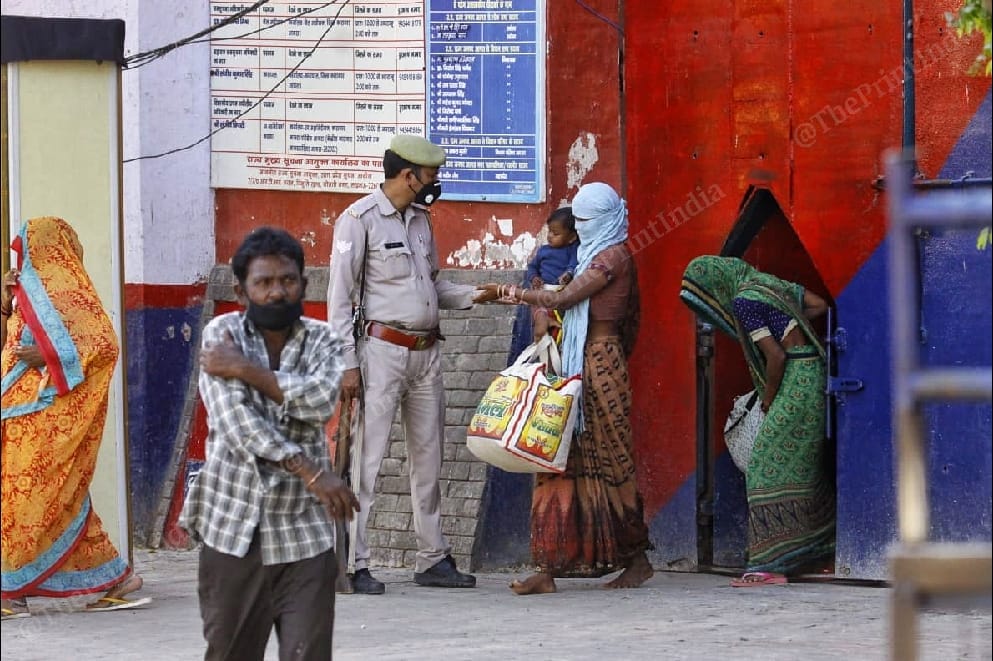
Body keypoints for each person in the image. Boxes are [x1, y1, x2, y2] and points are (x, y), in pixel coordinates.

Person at [179, 227, 358, 659]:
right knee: (231, 652)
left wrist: (247, 371)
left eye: (288, 280)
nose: (278, 292)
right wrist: (310, 470)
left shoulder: (324, 339)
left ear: (303, 283)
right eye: (264, 283)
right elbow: (236, 422)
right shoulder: (223, 334)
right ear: (241, 292)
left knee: (308, 653)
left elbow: (318, 403)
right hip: (234, 528)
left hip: (305, 533)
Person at [475, 182, 654, 595]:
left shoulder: (612, 258)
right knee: (555, 455)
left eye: (587, 222)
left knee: (611, 461)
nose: (582, 228)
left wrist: (506, 292)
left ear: (604, 222)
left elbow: (565, 299)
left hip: (599, 362)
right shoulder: (593, 254)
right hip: (576, 359)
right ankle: (549, 566)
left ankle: (635, 559)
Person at [327, 135, 482, 594]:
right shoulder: (358, 220)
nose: (435, 182)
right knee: (366, 462)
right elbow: (339, 300)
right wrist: (347, 365)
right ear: (408, 175)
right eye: (429, 174)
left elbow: (433, 285)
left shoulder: (420, 221)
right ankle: (354, 563)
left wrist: (477, 295)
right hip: (380, 353)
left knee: (429, 459)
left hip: (426, 352)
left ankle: (433, 557)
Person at [1, 217, 148, 619]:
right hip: (17, 412)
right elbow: (14, 343)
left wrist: (50, 356)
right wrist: (6, 301)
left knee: (32, 503)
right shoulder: (23, 291)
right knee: (56, 500)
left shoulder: (69, 293)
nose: (23, 255)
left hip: (47, 416)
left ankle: (9, 592)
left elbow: (104, 345)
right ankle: (114, 578)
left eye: (28, 245)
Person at [679, 255, 835, 587]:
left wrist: (767, 400)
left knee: (764, 466)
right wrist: (791, 323)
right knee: (797, 465)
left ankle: (768, 565)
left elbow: (775, 355)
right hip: (812, 369)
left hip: (795, 378)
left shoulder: (744, 300)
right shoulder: (770, 285)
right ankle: (814, 547)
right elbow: (820, 305)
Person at [524, 207, 579, 343]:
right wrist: (534, 277)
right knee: (539, 327)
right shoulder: (543, 250)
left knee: (558, 332)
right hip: (542, 292)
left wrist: (568, 274)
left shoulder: (573, 249)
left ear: (571, 237)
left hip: (560, 295)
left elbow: (573, 264)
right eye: (549, 231)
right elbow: (532, 266)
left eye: (555, 234)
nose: (549, 236)